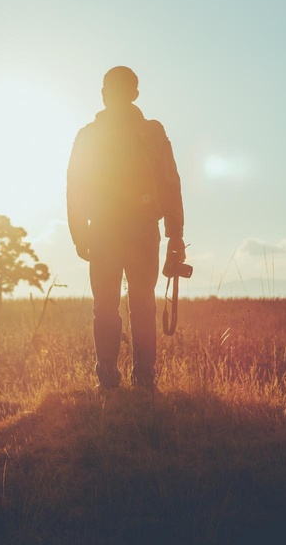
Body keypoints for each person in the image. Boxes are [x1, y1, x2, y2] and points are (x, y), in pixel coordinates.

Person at [67, 66, 186, 390]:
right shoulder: (152, 131)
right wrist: (176, 234)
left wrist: (79, 233)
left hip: (103, 230)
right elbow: (170, 183)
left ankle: (107, 377)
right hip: (142, 229)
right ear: (135, 94)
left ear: (105, 94)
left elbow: (74, 186)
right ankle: (144, 379)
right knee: (143, 304)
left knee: (104, 306)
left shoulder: (89, 135)